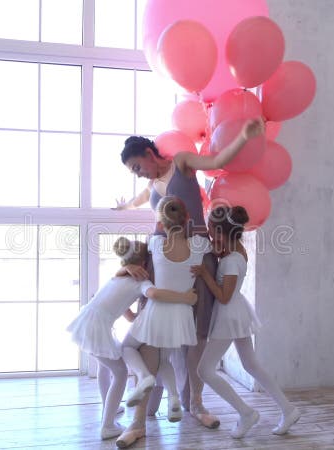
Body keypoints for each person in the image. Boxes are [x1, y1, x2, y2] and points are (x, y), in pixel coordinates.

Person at [113, 118, 265, 448]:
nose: (141, 174)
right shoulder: (151, 186)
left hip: (196, 252)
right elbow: (140, 201)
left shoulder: (182, 162)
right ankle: (144, 411)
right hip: (162, 255)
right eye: (134, 172)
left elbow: (217, 162)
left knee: (197, 331)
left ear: (151, 153)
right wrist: (124, 205)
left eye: (139, 166)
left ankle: (195, 402)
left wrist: (243, 134)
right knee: (153, 324)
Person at [66, 237, 196, 440]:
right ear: (145, 264)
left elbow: (121, 305)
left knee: (106, 367)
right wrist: (184, 298)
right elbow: (154, 294)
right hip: (97, 327)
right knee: (120, 372)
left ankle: (110, 408)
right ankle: (108, 425)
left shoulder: (119, 275)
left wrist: (136, 318)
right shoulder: (140, 281)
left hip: (88, 322)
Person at [191, 205, 301, 438]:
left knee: (204, 370)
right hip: (236, 312)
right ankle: (288, 409)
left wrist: (205, 274)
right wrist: (219, 254)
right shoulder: (236, 251)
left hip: (229, 315)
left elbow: (224, 296)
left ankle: (245, 412)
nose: (208, 233)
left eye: (211, 228)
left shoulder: (231, 259)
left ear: (220, 232)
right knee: (251, 365)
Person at [120, 197, 209, 425]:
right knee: (163, 359)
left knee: (128, 347)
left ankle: (144, 377)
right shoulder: (199, 244)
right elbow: (208, 243)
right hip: (182, 315)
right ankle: (175, 397)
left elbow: (144, 250)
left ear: (161, 224)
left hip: (157, 312)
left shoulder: (156, 243)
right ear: (187, 219)